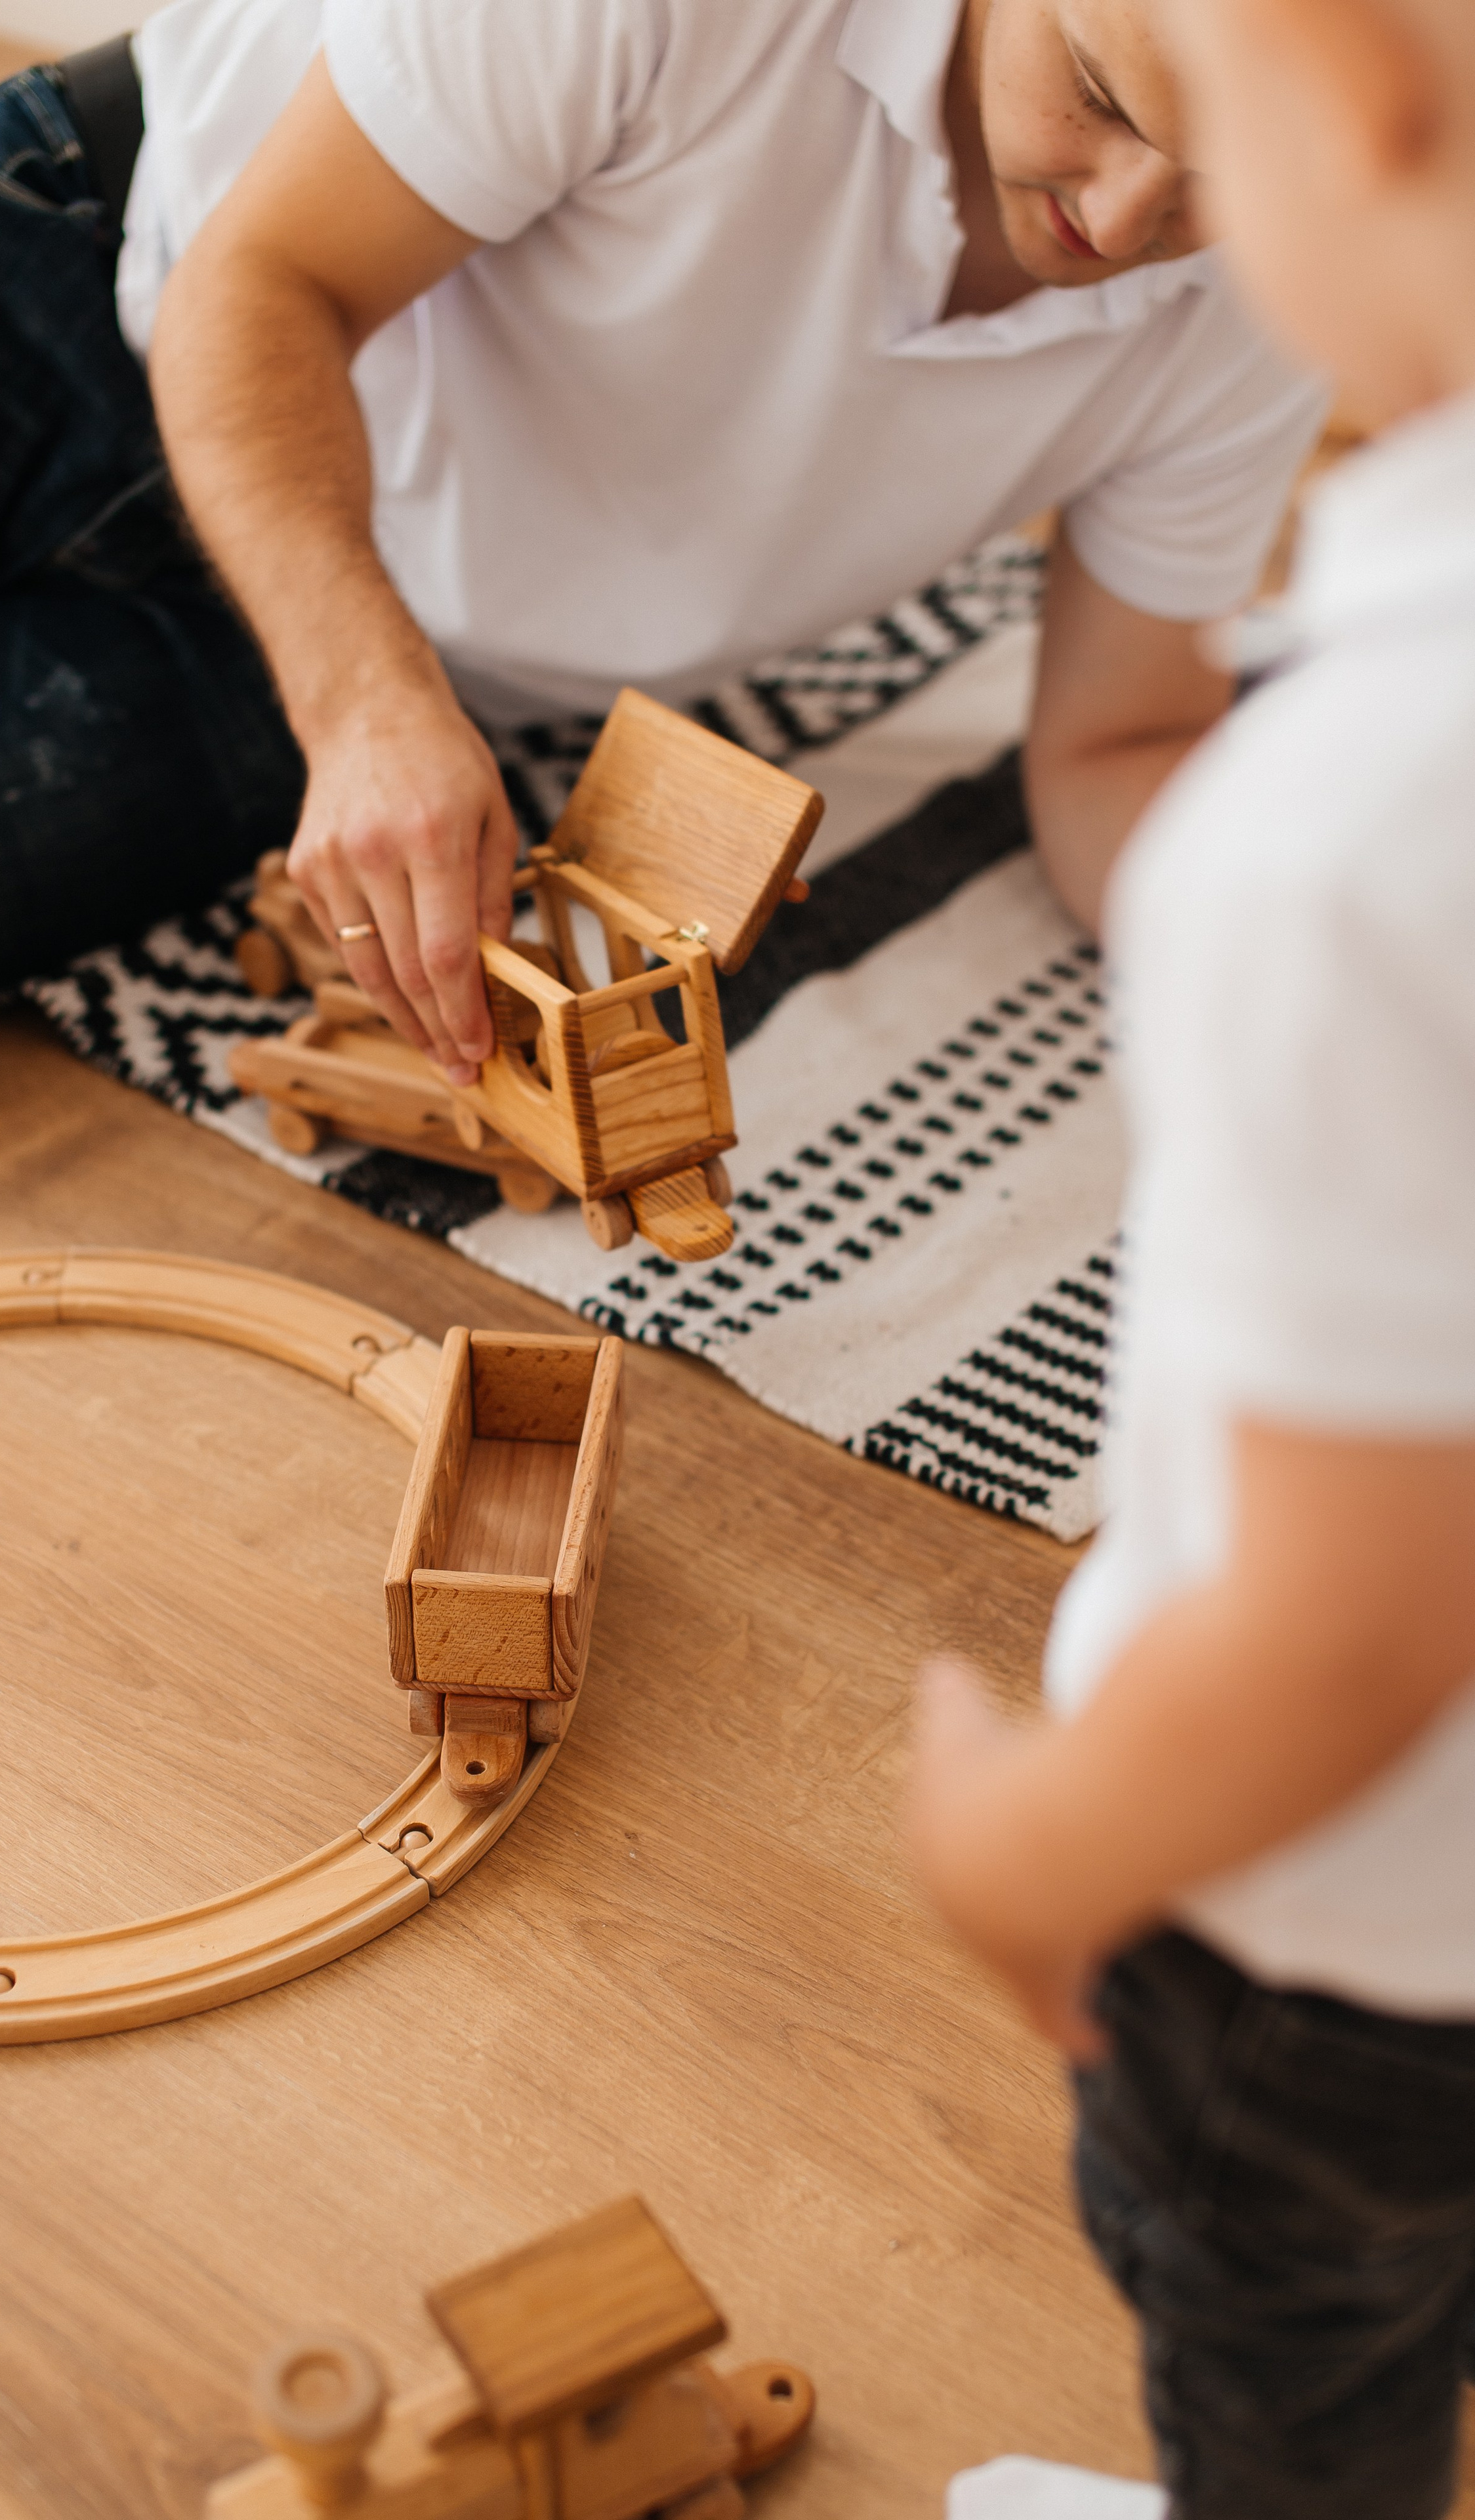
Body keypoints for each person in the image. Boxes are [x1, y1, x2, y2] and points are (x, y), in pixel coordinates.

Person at [0, 0, 1319, 1061]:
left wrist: (1316, 994)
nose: (1123, 229)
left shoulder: (1288, 292)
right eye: (1104, 100)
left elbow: (1118, 745)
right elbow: (262, 290)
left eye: (1239, 174)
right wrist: (371, 711)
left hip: (332, 638)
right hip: (83, 279)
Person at [907, 0, 1475, 2513]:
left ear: (1347, 102)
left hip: (1339, 1961)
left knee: (1291, 2367)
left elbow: (1355, 1629)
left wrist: (1027, 1850)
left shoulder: (1337, 841)